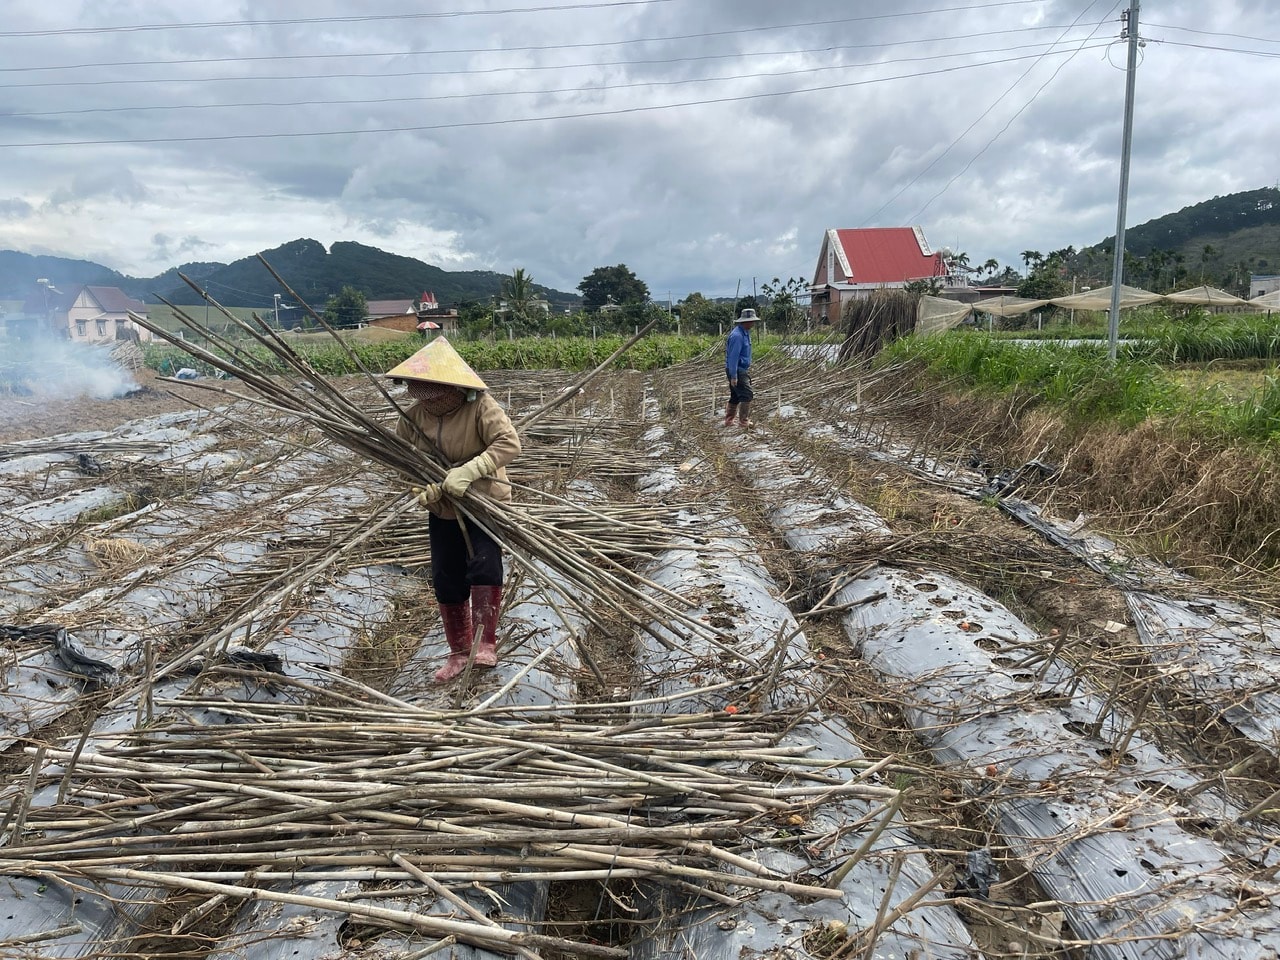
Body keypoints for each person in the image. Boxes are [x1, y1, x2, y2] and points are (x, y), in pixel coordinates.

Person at [387, 338, 521, 682]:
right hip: (443, 507)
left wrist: (468, 471)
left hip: (485, 499)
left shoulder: (481, 407)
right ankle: (459, 652)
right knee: (446, 576)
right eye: (423, 399)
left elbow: (509, 443)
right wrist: (422, 487)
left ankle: (484, 645)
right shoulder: (414, 417)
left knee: (484, 564)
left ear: (454, 390)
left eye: (436, 398)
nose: (430, 406)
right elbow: (402, 460)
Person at [724, 307, 757, 428]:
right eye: (752, 321)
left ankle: (729, 420)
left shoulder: (745, 333)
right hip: (737, 369)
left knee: (735, 395)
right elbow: (733, 357)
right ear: (745, 321)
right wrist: (734, 376)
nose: (753, 323)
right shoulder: (737, 336)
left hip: (740, 368)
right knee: (747, 394)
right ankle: (743, 421)